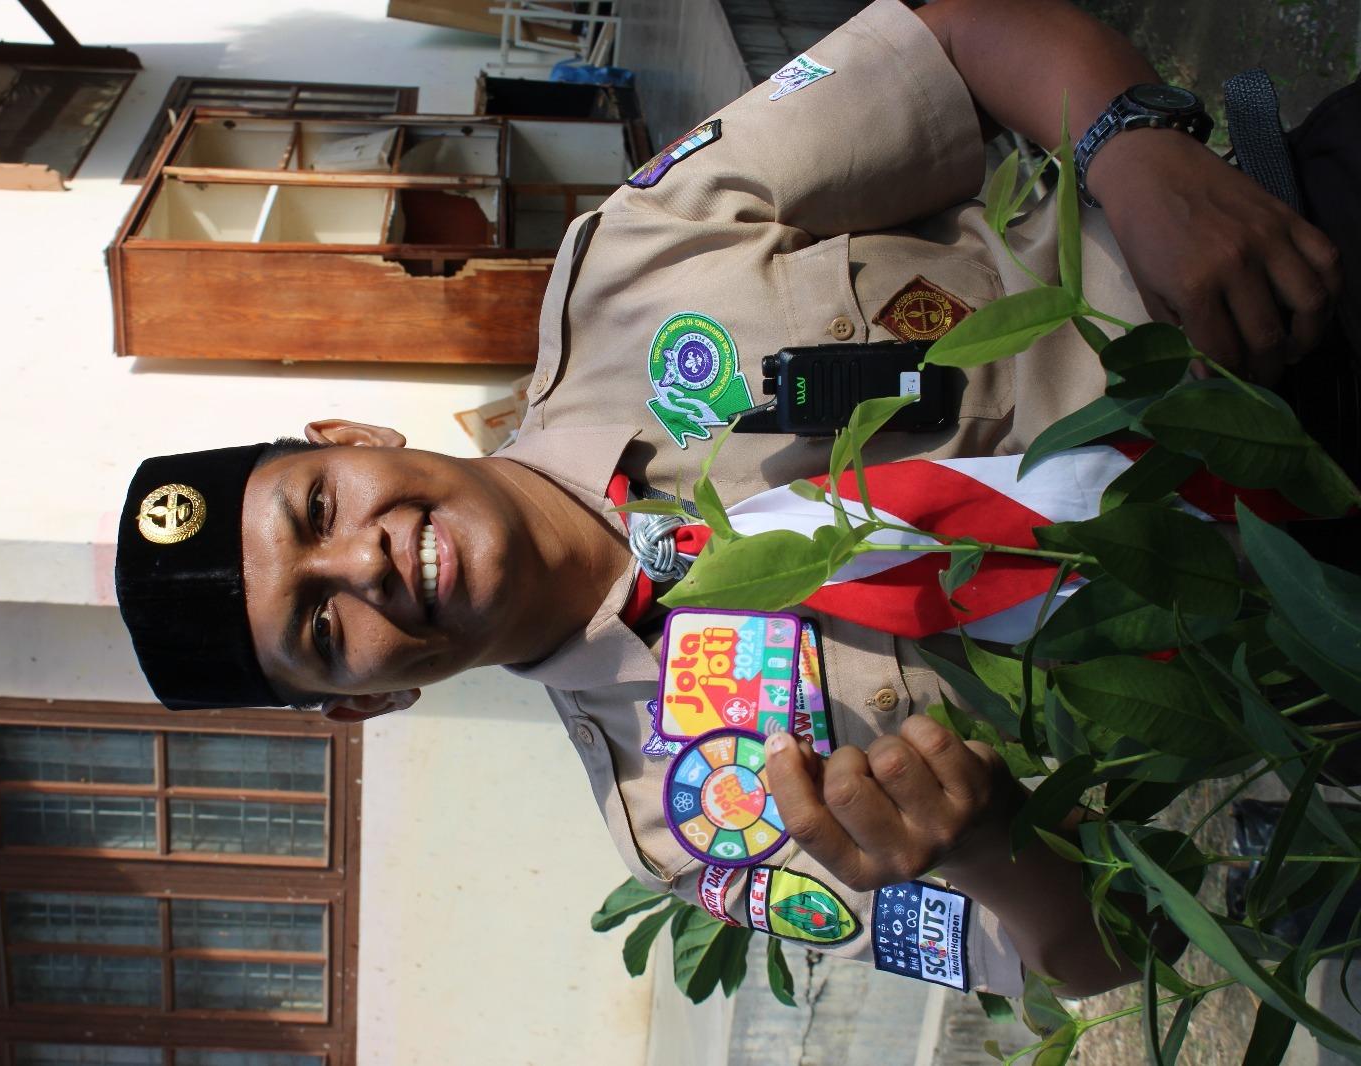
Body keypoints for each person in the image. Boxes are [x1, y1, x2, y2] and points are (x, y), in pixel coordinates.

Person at [115, 0, 1340, 997]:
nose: (363, 564)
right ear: (367, 703)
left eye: (317, 509)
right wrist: (987, 852)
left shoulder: (634, 259)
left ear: (351, 436)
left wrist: (1135, 150)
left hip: (1279, 284)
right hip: (1319, 622)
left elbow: (957, 42)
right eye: (322, 626)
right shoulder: (691, 823)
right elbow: (1099, 955)